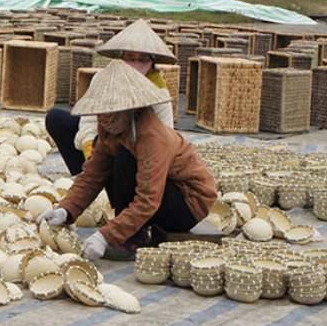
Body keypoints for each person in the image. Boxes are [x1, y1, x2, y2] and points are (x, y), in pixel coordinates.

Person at [38, 60, 217, 261]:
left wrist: (106, 236)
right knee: (114, 160)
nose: (103, 118)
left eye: (109, 111)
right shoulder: (110, 128)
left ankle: (132, 237)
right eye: (101, 111)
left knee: (125, 157)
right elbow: (92, 175)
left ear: (127, 108)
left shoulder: (152, 137)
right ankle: (128, 229)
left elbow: (148, 199)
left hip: (186, 203)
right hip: (158, 195)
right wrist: (66, 209)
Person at [45, 19, 176, 175]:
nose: (136, 65)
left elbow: (166, 139)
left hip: (135, 155)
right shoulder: (103, 79)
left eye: (143, 60)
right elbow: (89, 120)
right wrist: (90, 150)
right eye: (130, 58)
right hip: (104, 143)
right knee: (56, 118)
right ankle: (84, 175)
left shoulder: (158, 91)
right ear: (120, 58)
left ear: (152, 62)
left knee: (124, 151)